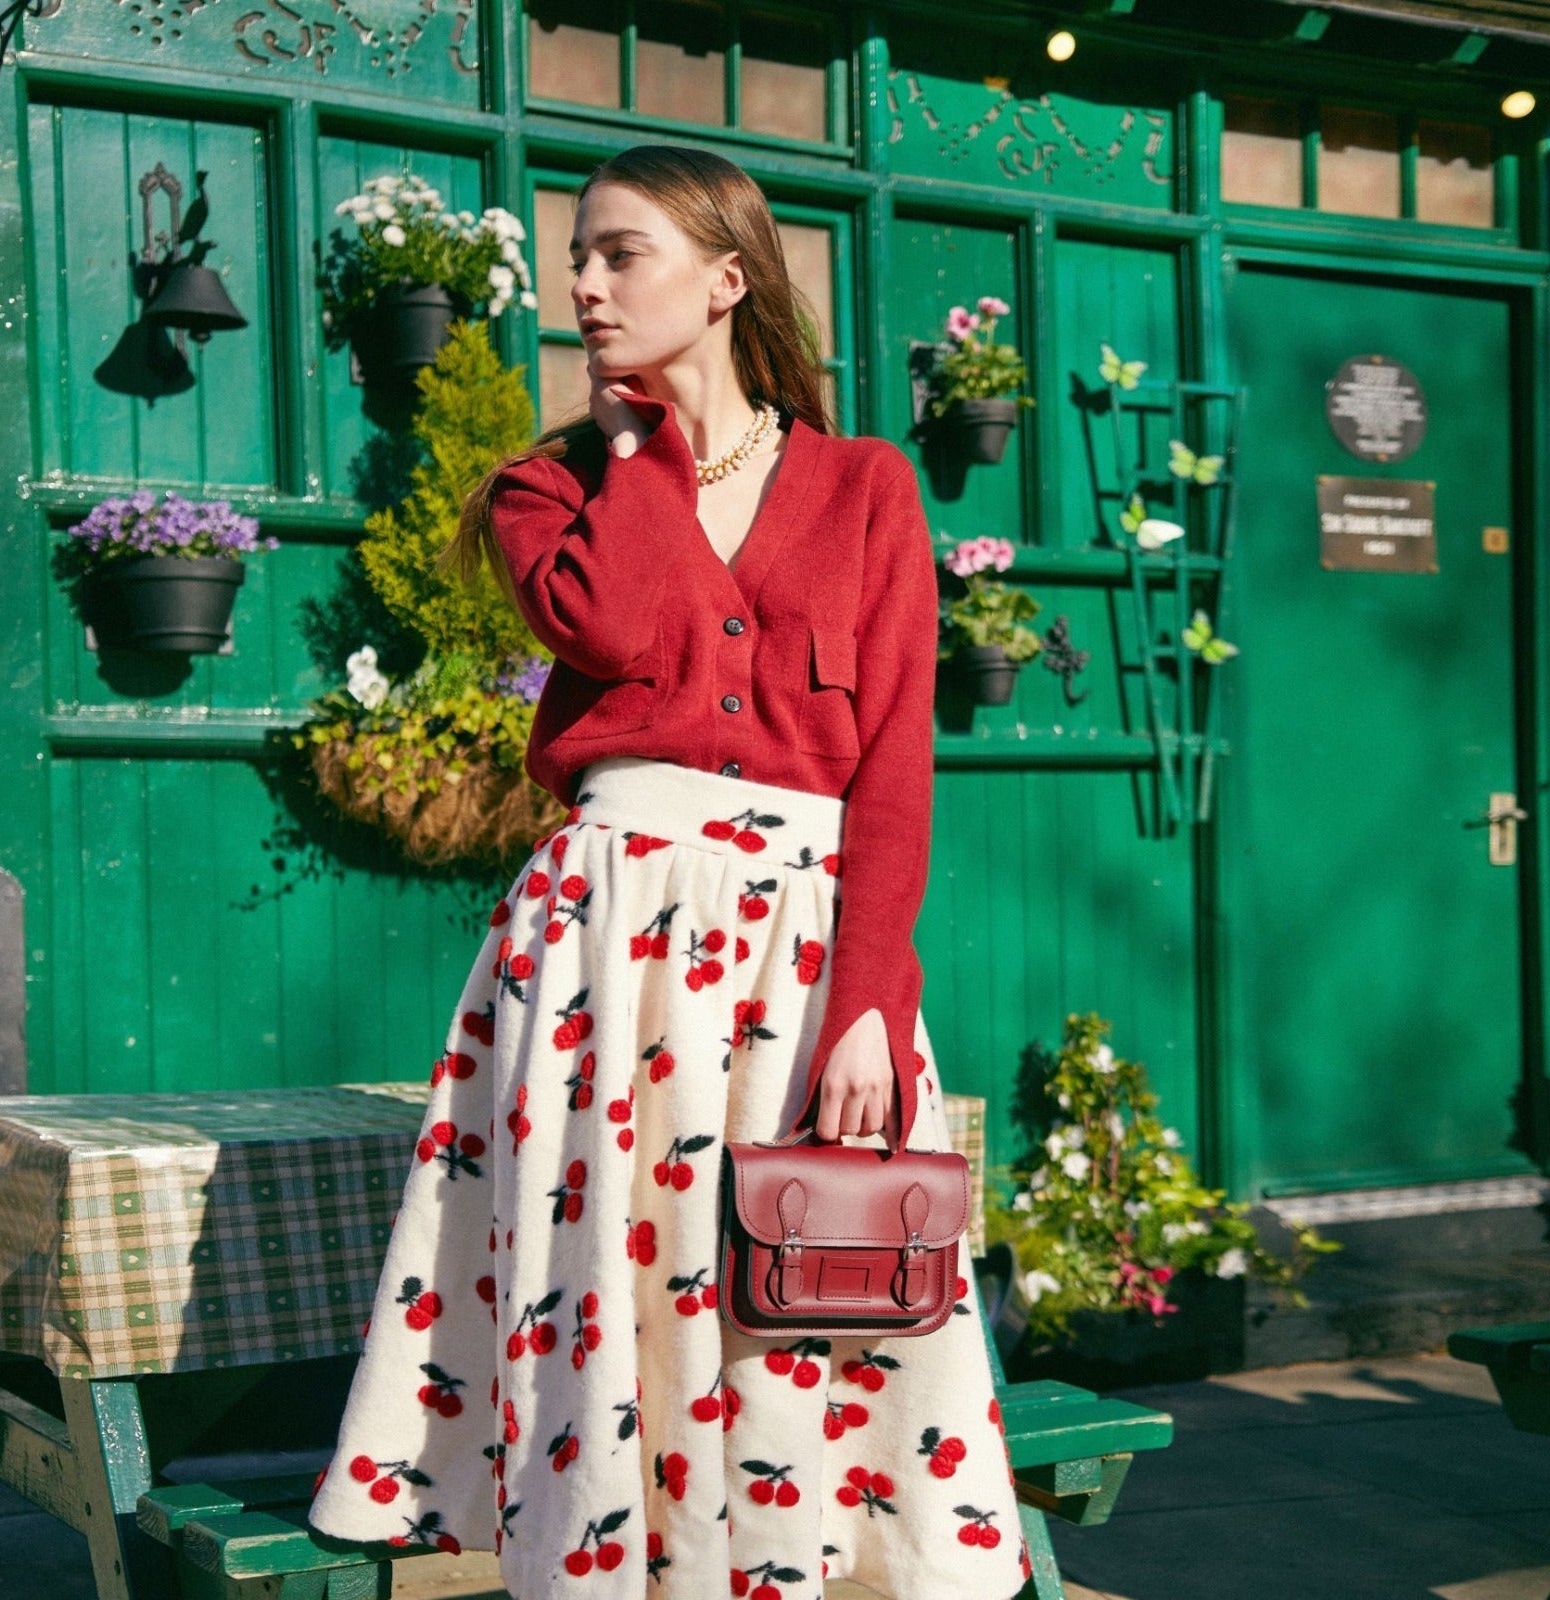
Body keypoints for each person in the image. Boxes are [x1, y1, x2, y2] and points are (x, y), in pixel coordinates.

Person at [308, 142, 1031, 1600]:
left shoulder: (868, 486)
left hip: (798, 943)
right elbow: (629, 633)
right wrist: (639, 451)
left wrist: (875, 1002)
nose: (583, 283)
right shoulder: (545, 491)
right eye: (579, 256)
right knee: (611, 1290)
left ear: (727, 275)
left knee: (780, 1277)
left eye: (621, 254)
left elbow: (893, 763)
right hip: (606, 940)